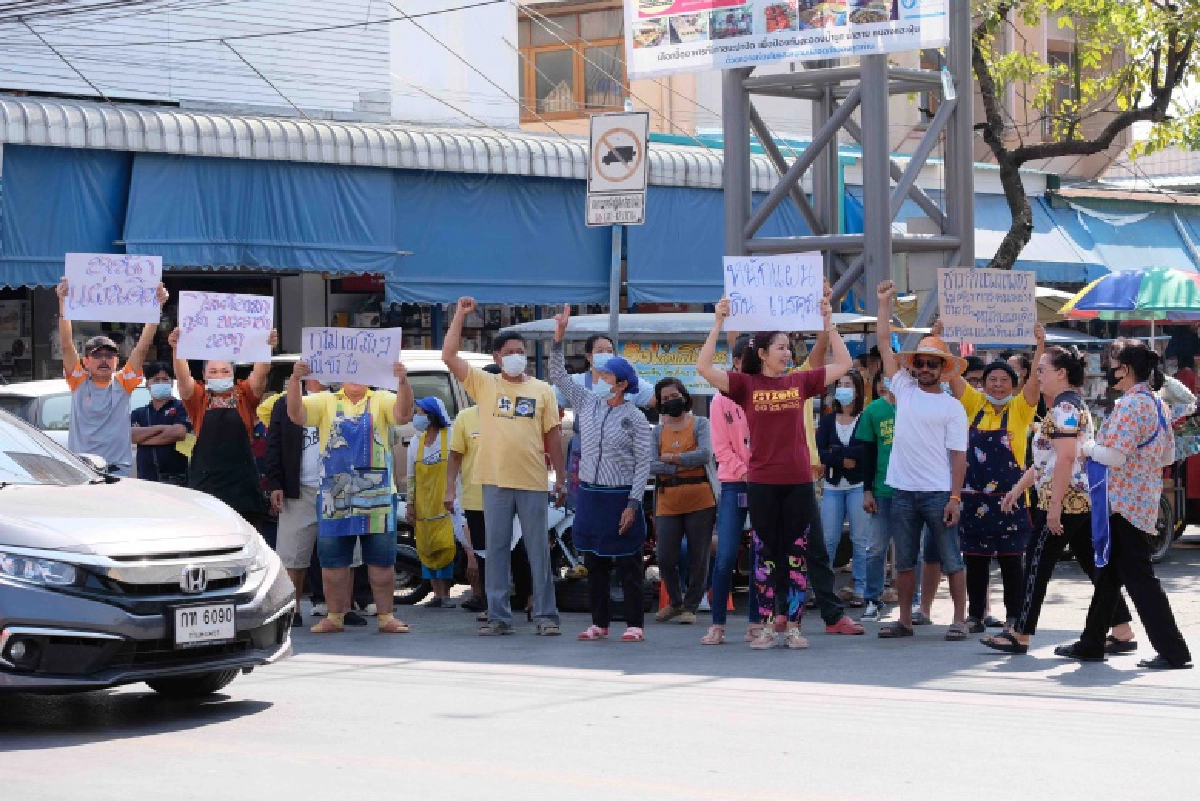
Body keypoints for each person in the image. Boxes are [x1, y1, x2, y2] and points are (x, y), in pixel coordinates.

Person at [697, 293, 860, 650]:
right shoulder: (745, 385)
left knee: (797, 555)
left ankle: (794, 628)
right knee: (766, 555)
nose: (788, 353)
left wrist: (828, 321)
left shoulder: (800, 382)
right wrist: (718, 323)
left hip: (799, 481)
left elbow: (844, 363)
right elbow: (704, 368)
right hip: (761, 483)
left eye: (790, 348)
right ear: (763, 353)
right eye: (782, 348)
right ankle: (768, 626)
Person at [982, 346, 1136, 655]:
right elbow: (1047, 462)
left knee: (1036, 565)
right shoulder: (1067, 405)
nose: (1037, 376)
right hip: (1074, 498)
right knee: (1093, 566)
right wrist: (1018, 489)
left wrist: (1053, 509)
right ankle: (1121, 629)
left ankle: (1021, 633)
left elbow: (1065, 458)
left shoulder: (1065, 407)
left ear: (1060, 373)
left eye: (1042, 370)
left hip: (1064, 500)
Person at [1057, 340, 1193, 669]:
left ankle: (1174, 651)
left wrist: (1087, 445)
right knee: (1109, 576)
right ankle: (1091, 643)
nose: (1108, 369)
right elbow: (1167, 455)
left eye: (1112, 363)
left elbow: (1114, 456)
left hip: (1123, 505)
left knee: (1139, 579)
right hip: (1141, 501)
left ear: (1127, 369)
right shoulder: (1156, 403)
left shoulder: (1132, 405)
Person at [443, 297, 567, 637]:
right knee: (495, 551)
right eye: (509, 351)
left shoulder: (542, 390)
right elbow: (449, 356)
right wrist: (459, 316)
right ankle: (498, 617)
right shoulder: (485, 383)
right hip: (494, 481)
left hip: (532, 481)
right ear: (497, 357)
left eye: (520, 350)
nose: (516, 355)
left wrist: (562, 478)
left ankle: (545, 617)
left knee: (537, 550)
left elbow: (553, 436)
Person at [548, 305, 652, 642]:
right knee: (594, 563)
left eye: (607, 376)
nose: (601, 379)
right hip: (591, 495)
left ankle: (634, 624)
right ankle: (599, 623)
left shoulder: (635, 418)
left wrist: (633, 505)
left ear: (621, 383)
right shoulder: (586, 403)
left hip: (620, 496)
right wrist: (559, 337)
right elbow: (558, 375)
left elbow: (642, 464)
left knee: (628, 564)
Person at [286, 360, 414, 634]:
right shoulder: (324, 401)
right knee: (333, 563)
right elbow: (296, 415)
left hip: (377, 497)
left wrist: (403, 381)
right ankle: (334, 617)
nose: (355, 377)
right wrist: (295, 381)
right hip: (335, 496)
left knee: (382, 562)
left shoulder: (381, 399)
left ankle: (386, 617)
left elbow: (403, 415)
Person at [875, 281, 971, 641]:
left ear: (943, 368)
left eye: (934, 363)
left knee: (951, 558)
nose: (927, 367)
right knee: (903, 560)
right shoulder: (903, 389)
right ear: (913, 365)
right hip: (901, 491)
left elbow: (958, 457)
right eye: (922, 362)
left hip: (937, 493)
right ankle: (904, 619)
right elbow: (885, 344)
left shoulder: (952, 407)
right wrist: (884, 304)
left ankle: (959, 619)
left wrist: (955, 497)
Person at [943, 324, 1045, 632]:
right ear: (984, 384)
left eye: (1004, 381)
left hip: (1010, 499)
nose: (998, 385)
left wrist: (1040, 345)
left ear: (1014, 385)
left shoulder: (1020, 408)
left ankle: (1014, 616)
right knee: (975, 559)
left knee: (1013, 560)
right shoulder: (973, 404)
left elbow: (1035, 384)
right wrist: (943, 340)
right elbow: (954, 376)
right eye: (992, 380)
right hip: (974, 498)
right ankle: (976, 616)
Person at [446, 365, 535, 620]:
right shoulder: (465, 417)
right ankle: (492, 605)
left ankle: (529, 598)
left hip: (514, 492)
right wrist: (450, 490)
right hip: (477, 497)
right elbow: (454, 458)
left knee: (518, 550)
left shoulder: (516, 411)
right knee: (485, 554)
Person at [58, 278, 167, 476]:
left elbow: (142, 349)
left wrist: (156, 308)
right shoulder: (79, 381)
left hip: (118, 470)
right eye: (97, 355)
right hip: (82, 471)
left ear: (117, 361)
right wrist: (63, 302)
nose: (104, 360)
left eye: (109, 355)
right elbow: (66, 345)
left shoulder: (122, 383)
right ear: (86, 362)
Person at [170, 325, 277, 527]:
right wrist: (178, 349)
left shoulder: (244, 393)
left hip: (243, 484)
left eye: (224, 371)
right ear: (204, 374)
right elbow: (183, 379)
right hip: (206, 482)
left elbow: (260, 374)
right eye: (213, 371)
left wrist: (266, 348)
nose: (219, 375)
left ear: (232, 373)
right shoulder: (198, 396)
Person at [650, 377, 718, 626]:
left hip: (700, 497)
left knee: (698, 555)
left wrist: (672, 459)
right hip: (668, 500)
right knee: (665, 555)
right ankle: (675, 602)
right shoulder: (657, 431)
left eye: (674, 395)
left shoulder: (701, 423)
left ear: (684, 395)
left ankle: (691, 605)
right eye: (665, 398)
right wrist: (681, 465)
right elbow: (652, 464)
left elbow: (705, 454)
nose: (671, 401)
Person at [704, 334, 757, 645]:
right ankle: (718, 623)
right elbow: (720, 448)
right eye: (744, 359)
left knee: (762, 554)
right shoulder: (720, 399)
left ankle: (755, 622)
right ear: (735, 362)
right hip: (735, 481)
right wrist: (744, 472)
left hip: (763, 482)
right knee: (725, 555)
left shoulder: (764, 394)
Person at [816, 369, 869, 607]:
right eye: (840, 384)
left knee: (860, 539)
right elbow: (821, 452)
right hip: (833, 486)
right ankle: (824, 590)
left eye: (848, 384)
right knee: (828, 539)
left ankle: (860, 588)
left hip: (858, 486)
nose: (843, 388)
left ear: (857, 389)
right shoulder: (828, 420)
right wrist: (840, 458)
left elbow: (865, 450)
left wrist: (837, 452)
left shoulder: (865, 418)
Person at [406, 396, 462, 608]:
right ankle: (436, 593)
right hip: (423, 504)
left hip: (447, 502)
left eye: (420, 412)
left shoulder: (450, 437)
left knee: (445, 546)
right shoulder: (415, 441)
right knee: (426, 546)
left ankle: (446, 593)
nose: (416, 416)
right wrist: (411, 504)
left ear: (431, 415)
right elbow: (411, 476)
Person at [856, 369, 895, 622]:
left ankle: (913, 601)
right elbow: (867, 454)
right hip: (882, 490)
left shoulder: (916, 406)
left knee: (910, 551)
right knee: (875, 549)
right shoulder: (872, 411)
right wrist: (867, 490)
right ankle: (872, 599)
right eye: (884, 378)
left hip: (912, 492)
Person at [130, 362, 191, 484]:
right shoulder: (139, 413)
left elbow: (179, 433)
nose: (161, 383)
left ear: (172, 383)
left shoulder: (182, 407)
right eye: (156, 380)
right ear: (147, 384)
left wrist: (143, 437)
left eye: (165, 379)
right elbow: (130, 435)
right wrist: (163, 429)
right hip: (145, 479)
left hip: (176, 479)